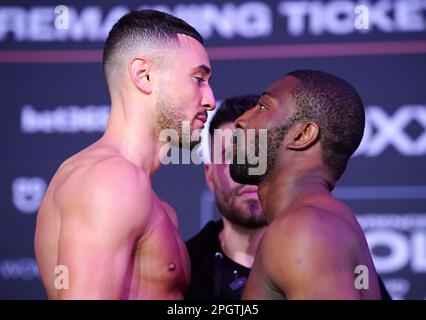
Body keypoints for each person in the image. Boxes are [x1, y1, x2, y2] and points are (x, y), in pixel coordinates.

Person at [34, 10, 215, 299]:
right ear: (144, 75)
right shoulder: (110, 180)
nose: (210, 100)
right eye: (198, 79)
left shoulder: (157, 205)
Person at [230, 70, 390, 299]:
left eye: (263, 107)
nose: (241, 120)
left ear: (303, 135)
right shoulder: (322, 221)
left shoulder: (305, 229)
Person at [185, 96, 267, 300]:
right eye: (232, 156)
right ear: (209, 175)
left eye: (259, 155)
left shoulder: (323, 264)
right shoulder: (181, 272)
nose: (248, 171)